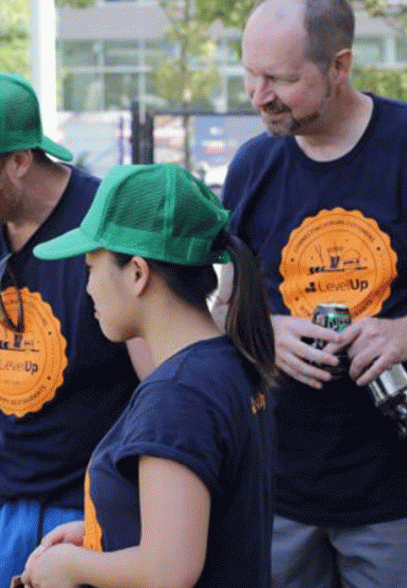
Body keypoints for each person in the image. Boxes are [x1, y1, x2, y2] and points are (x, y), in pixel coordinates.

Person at [0, 71, 152, 588]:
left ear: (19, 160)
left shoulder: (106, 226)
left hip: (97, 503)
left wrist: (139, 513)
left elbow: (162, 388)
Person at [214, 0, 407, 586]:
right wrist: (263, 330)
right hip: (280, 492)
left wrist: (404, 332)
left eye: (281, 78)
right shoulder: (253, 166)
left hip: (394, 498)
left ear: (340, 66)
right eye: (250, 74)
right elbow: (222, 308)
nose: (259, 95)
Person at [16, 163, 275, 588]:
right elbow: (211, 521)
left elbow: (169, 570)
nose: (87, 288)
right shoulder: (224, 365)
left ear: (137, 273)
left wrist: (69, 567)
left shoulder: (177, 396)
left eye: (91, 268)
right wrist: (99, 533)